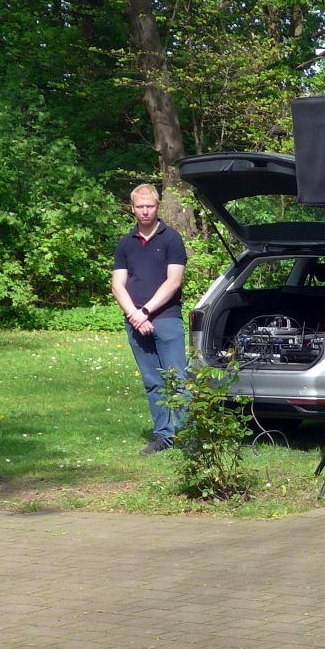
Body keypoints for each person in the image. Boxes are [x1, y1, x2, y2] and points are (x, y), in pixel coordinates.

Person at [111, 183, 188, 454]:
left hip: (166, 319)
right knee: (153, 381)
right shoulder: (125, 243)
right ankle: (163, 437)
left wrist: (145, 312)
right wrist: (134, 315)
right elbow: (117, 285)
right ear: (132, 209)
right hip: (135, 322)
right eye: (140, 206)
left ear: (157, 207)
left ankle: (187, 437)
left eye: (150, 206)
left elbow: (173, 282)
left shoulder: (172, 239)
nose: (145, 211)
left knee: (178, 379)